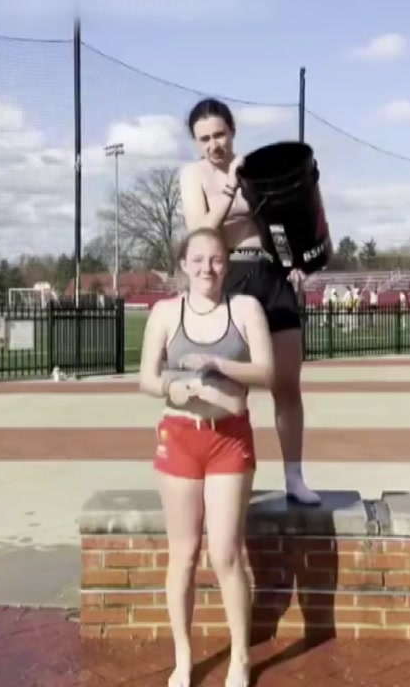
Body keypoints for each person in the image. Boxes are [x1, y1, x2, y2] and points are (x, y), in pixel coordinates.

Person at [138, 227, 276, 687]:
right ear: (183, 264)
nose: (207, 268)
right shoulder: (166, 312)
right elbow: (146, 377)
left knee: (225, 553)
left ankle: (240, 656)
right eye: (197, 260)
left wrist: (217, 365)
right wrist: (172, 386)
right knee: (183, 553)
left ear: (227, 264)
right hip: (180, 436)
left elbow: (267, 372)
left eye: (216, 259)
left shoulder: (245, 308)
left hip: (228, 440)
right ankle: (183, 655)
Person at [179, 97, 322, 506]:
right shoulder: (194, 175)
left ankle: (294, 476)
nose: (214, 144)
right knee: (228, 385)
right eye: (205, 139)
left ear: (233, 131)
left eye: (220, 134)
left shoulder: (254, 168)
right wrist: (230, 190)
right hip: (230, 275)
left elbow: (285, 220)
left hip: (271, 273)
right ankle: (227, 476)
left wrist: (296, 261)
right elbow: (201, 233)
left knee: (286, 383)